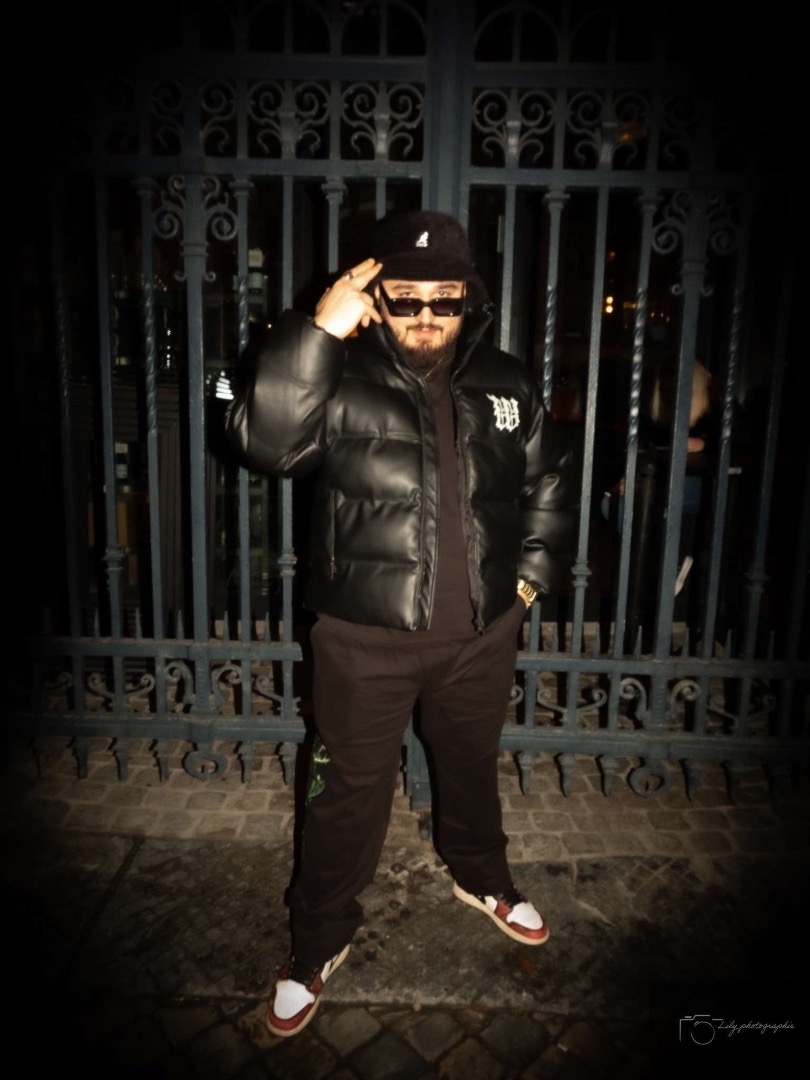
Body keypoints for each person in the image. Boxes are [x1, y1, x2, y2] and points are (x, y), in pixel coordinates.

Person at [226, 209, 578, 1038]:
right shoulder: (335, 370)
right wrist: (318, 332)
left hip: (481, 635)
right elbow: (265, 444)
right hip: (362, 638)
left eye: (443, 299)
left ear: (468, 300)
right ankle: (317, 940)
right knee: (344, 793)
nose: (425, 315)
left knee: (471, 766)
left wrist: (528, 583)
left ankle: (481, 875)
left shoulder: (507, 380)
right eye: (405, 297)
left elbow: (549, 478)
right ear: (377, 300)